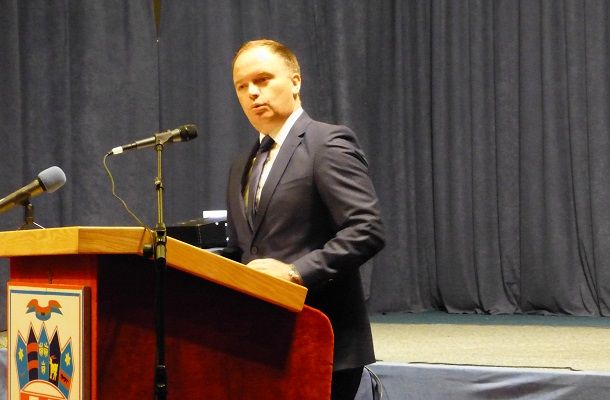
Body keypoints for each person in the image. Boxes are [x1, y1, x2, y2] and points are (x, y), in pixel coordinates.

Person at [225, 38, 385, 400]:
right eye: (242, 86)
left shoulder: (327, 143)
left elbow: (366, 229)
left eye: (262, 80)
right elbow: (243, 250)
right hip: (261, 343)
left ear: (295, 81)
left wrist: (295, 273)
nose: (252, 93)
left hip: (322, 341)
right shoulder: (241, 164)